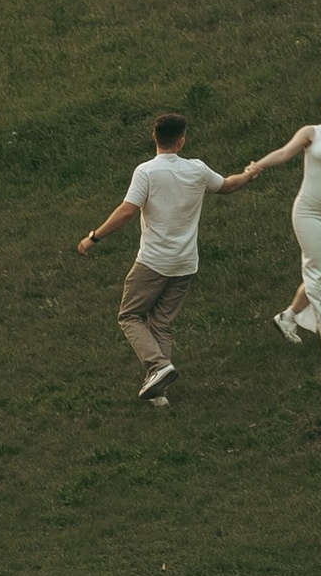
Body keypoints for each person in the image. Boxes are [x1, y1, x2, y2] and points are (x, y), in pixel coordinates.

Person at [77, 113, 254, 401]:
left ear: (153, 136)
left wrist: (94, 237)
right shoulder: (197, 169)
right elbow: (228, 185)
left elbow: (127, 211)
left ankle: (158, 366)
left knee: (130, 315)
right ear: (181, 141)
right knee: (162, 324)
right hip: (185, 264)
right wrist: (249, 174)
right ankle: (160, 392)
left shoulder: (146, 172)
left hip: (154, 262)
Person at [240, 86, 321, 357]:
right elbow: (284, 153)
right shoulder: (311, 132)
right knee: (317, 273)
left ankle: (287, 317)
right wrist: (257, 166)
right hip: (307, 212)